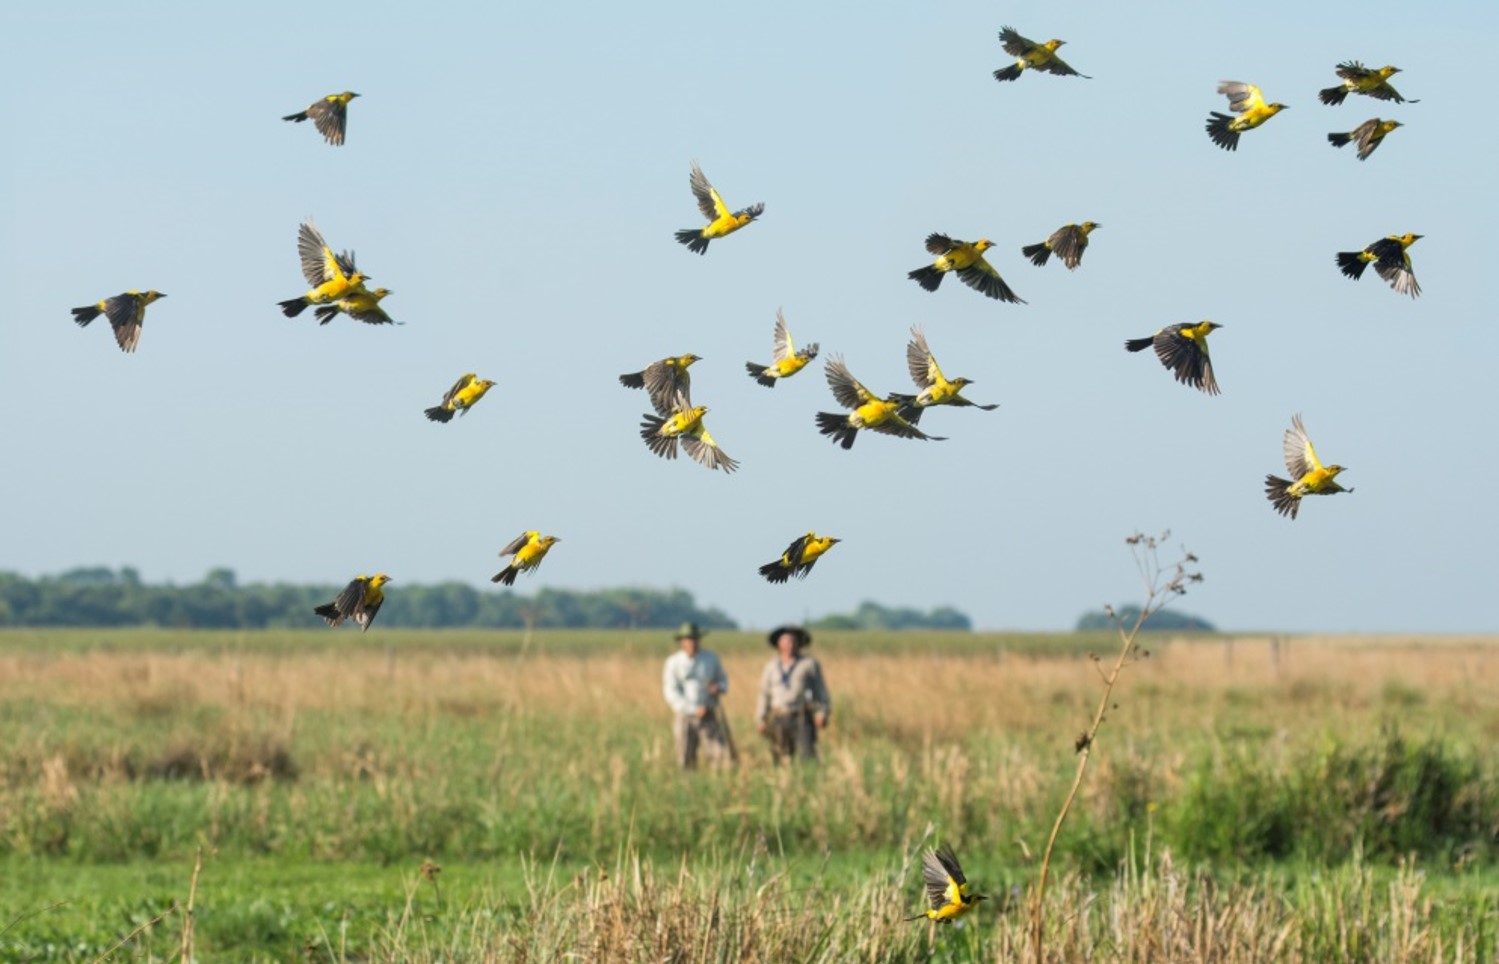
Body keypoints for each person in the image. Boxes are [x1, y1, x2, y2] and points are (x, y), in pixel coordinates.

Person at [661, 621, 734, 769]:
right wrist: (693, 709)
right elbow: (671, 692)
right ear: (682, 641)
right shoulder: (673, 662)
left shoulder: (710, 658)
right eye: (688, 639)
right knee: (685, 757)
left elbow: (723, 681)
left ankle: (719, 778)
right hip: (685, 715)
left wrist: (718, 688)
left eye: (694, 639)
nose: (692, 643)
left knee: (720, 754)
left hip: (708, 713)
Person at [754, 625, 831, 764]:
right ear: (779, 645)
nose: (789, 645)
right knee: (779, 757)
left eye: (793, 641)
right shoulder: (771, 667)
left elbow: (821, 690)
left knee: (808, 757)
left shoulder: (809, 664)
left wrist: (822, 712)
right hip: (779, 716)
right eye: (785, 641)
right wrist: (761, 719)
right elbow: (764, 694)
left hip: (802, 716)